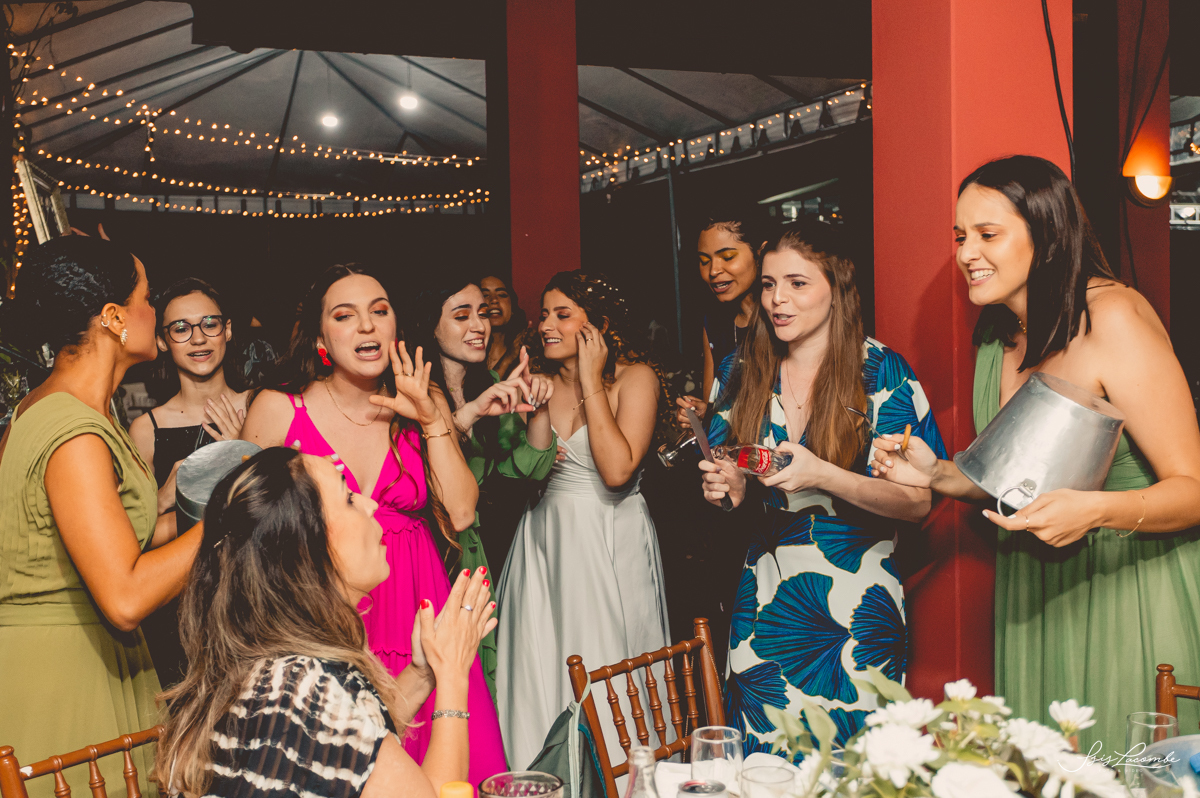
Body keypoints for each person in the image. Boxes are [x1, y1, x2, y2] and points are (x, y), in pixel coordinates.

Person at [870, 154, 1200, 750]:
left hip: (1126, 588)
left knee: (1122, 770)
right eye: (961, 237)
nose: (967, 253)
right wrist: (939, 472)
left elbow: (1193, 489)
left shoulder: (1113, 317)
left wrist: (1095, 511)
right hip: (1034, 592)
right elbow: (1020, 478)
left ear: (1046, 236)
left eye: (988, 234)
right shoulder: (998, 337)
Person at [239, 264, 507, 781]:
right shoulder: (279, 408)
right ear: (320, 339)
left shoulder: (422, 402)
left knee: (448, 762)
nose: (366, 325)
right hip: (327, 612)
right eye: (345, 315)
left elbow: (462, 511)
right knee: (349, 765)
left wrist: (429, 417)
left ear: (395, 327)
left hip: (419, 602)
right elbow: (249, 537)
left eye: (379, 311)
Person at [699, 222, 944, 754]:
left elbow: (919, 502)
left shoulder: (881, 372)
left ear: (838, 288)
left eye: (797, 283)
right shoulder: (740, 369)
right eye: (769, 284)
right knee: (763, 767)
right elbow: (726, 476)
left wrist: (825, 475)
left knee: (852, 770)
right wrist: (728, 486)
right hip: (763, 601)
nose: (777, 299)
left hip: (856, 607)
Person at [155, 447, 497, 798]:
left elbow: (352, 739)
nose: (371, 505)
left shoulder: (270, 670)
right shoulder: (312, 691)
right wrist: (453, 673)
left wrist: (425, 672)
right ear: (306, 547)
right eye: (348, 498)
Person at [0, 236, 203, 798]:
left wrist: (198, 509)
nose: (154, 311)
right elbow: (125, 596)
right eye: (147, 297)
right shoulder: (75, 433)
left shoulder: (69, 410)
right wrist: (235, 515)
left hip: (92, 657)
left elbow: (116, 543)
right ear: (114, 317)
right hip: (65, 676)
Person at [495, 271, 671, 770]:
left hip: (609, 534)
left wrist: (591, 380)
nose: (546, 325)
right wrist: (535, 410)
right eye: (544, 314)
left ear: (599, 326)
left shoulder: (636, 379)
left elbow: (616, 471)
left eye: (562, 314)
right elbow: (527, 474)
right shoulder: (540, 381)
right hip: (544, 538)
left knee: (605, 662)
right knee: (540, 663)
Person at [406, 273, 557, 696]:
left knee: (479, 679)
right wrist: (469, 413)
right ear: (430, 325)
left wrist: (538, 405)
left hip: (473, 551)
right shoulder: (413, 391)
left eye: (483, 314)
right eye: (461, 316)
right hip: (432, 549)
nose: (479, 325)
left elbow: (528, 469)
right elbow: (425, 472)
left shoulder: (488, 382)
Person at [130, 278, 250, 685]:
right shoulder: (146, 429)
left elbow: (284, 511)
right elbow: (132, 540)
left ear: (227, 330)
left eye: (209, 324)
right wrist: (162, 496)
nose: (198, 338)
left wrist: (245, 449)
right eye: (181, 328)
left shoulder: (261, 405)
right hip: (178, 608)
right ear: (162, 341)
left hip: (250, 596)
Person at [674, 207, 772, 430]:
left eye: (727, 257)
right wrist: (702, 414)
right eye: (704, 260)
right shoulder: (714, 324)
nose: (713, 271)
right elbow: (715, 406)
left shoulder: (785, 321)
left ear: (761, 253)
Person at [481, 275, 528, 376]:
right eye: (485, 295)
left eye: (502, 295)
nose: (494, 300)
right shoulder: (466, 356)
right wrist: (508, 358)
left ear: (512, 308)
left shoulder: (526, 354)